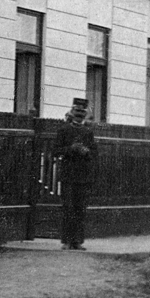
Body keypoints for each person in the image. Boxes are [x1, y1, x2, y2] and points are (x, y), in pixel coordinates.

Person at [57, 98, 97, 249]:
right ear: (72, 112)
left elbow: (94, 152)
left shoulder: (88, 132)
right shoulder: (63, 130)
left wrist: (86, 151)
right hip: (68, 175)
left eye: (82, 112)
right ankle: (66, 242)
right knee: (68, 208)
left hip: (83, 176)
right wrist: (71, 149)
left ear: (85, 114)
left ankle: (78, 242)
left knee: (80, 209)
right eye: (77, 111)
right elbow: (56, 150)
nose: (79, 114)